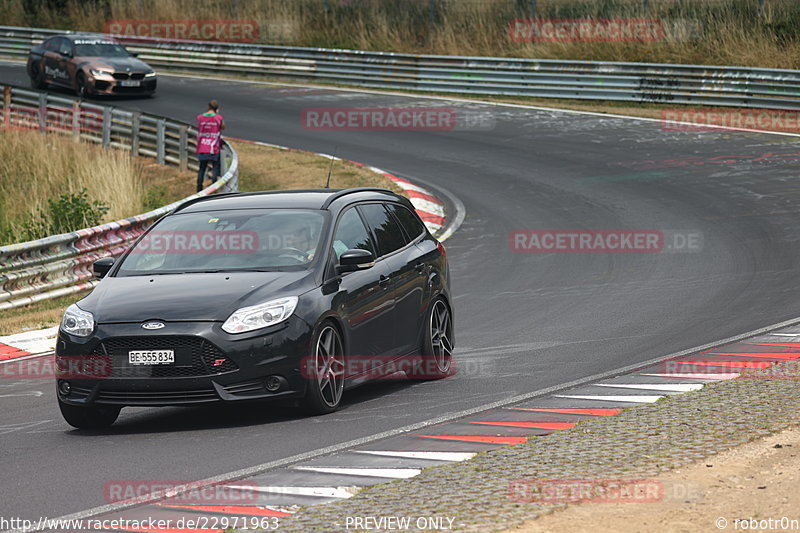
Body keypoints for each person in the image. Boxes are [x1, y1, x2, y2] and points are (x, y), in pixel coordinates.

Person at [196, 100, 226, 192]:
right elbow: (223, 127)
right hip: (213, 146)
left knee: (202, 168)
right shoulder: (219, 118)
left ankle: (199, 188)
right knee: (215, 167)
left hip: (202, 145)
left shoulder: (200, 117)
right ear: (217, 109)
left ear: (208, 107)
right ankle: (213, 187)